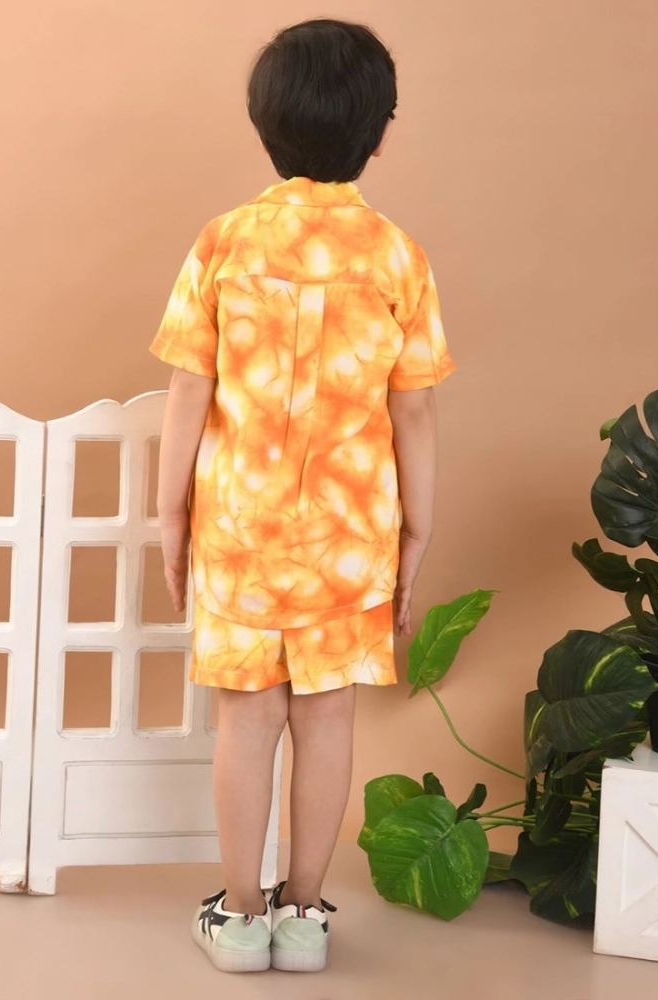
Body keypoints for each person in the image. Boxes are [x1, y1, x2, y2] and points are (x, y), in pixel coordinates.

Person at [150, 17, 453, 974]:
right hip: (350, 534)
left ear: (263, 123)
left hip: (240, 528)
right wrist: (416, 530)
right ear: (381, 131)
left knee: (247, 718)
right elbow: (414, 411)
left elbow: (189, 390)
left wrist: (169, 511)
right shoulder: (398, 257)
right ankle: (306, 913)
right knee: (326, 715)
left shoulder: (224, 243)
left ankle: (241, 918)